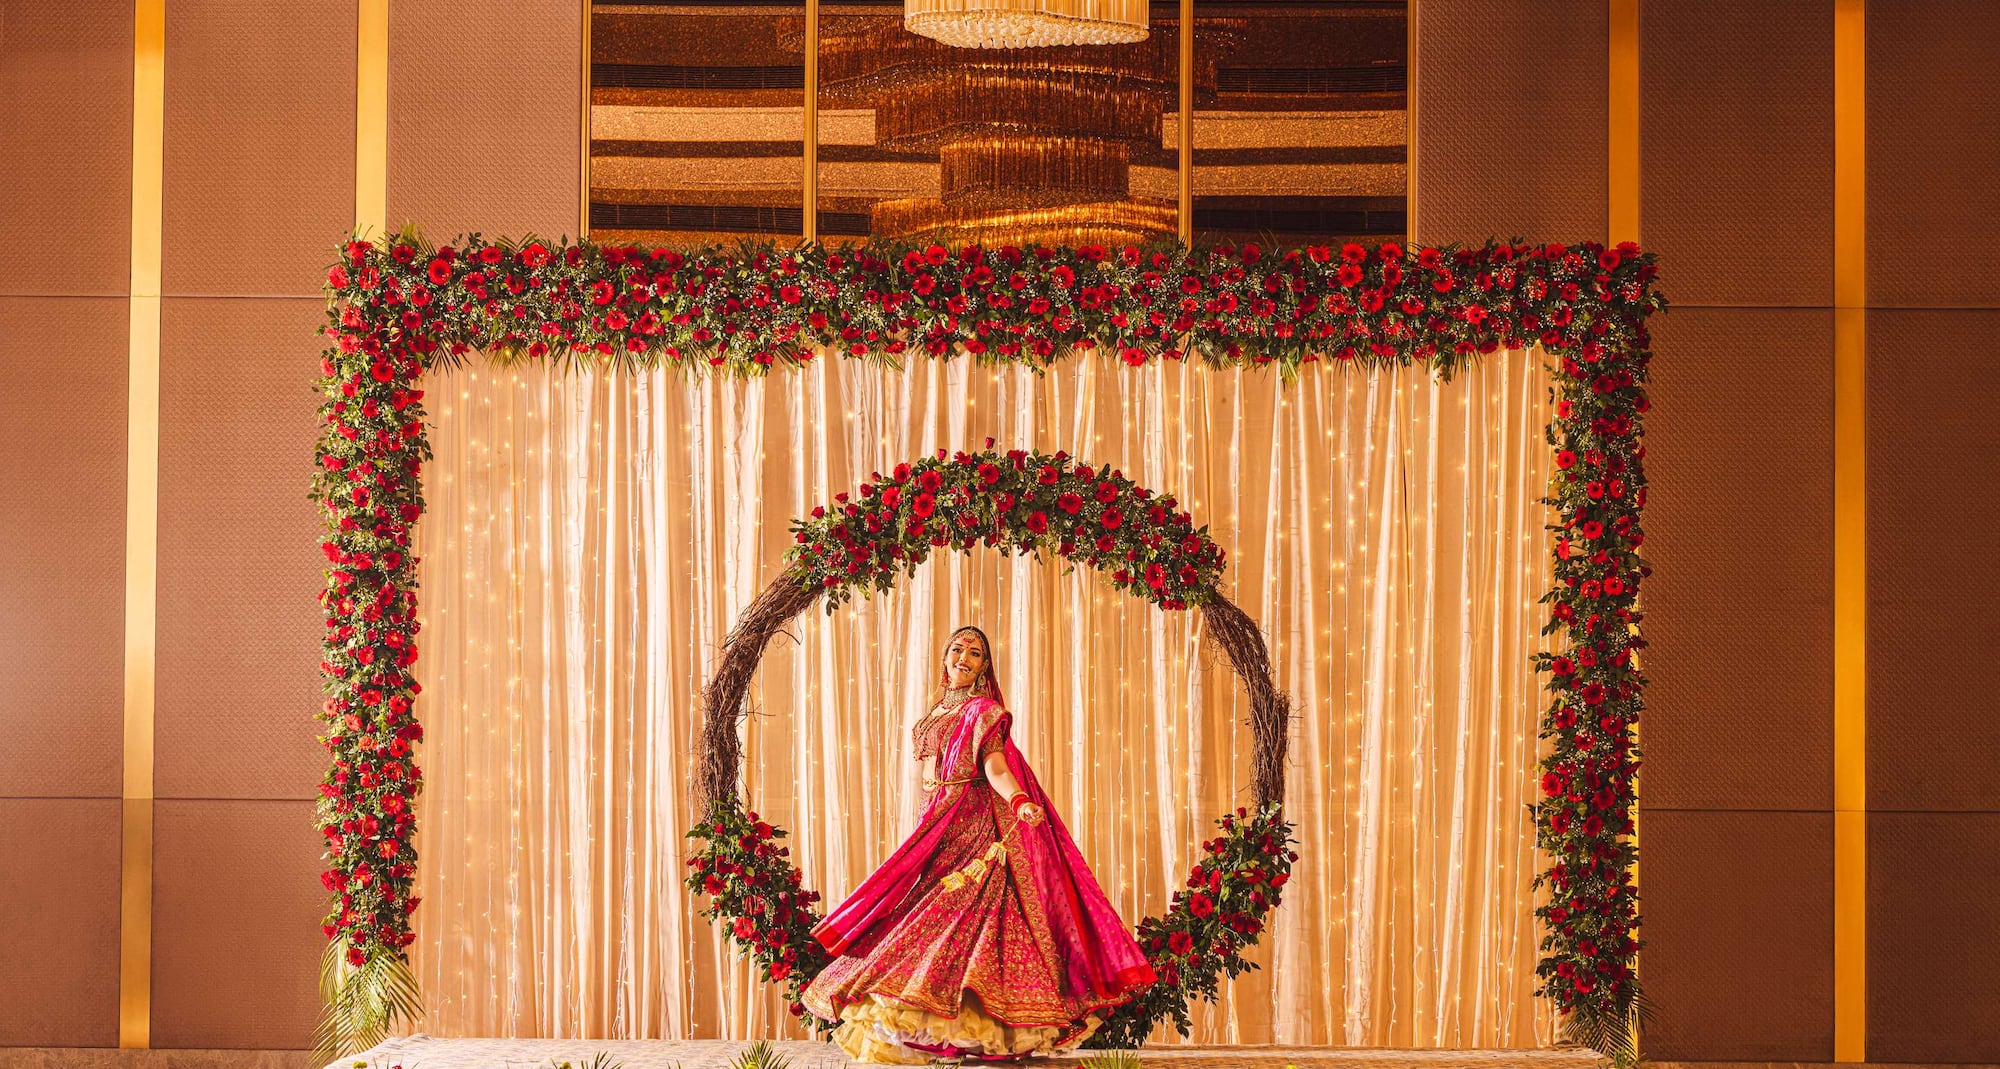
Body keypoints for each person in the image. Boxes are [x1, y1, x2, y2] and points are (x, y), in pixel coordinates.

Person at [800, 625, 1155, 1063]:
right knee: (920, 924)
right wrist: (925, 828)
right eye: (956, 650)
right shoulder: (932, 715)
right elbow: (932, 778)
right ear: (944, 657)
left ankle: (979, 1031)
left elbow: (995, 765)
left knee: (972, 923)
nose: (963, 658)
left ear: (985, 666)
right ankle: (926, 1031)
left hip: (977, 830)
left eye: (974, 653)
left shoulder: (983, 711)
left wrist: (1019, 799)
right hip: (936, 829)